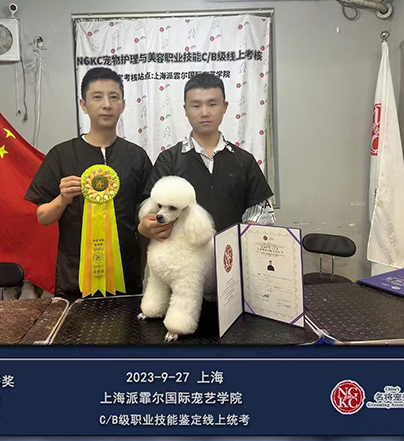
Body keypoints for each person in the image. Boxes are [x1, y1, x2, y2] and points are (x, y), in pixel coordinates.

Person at [25, 67, 152, 301]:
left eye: (114, 97)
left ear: (123, 105)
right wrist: (62, 199)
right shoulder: (61, 155)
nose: (107, 105)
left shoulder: (137, 157)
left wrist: (142, 265)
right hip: (75, 281)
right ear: (83, 105)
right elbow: (43, 217)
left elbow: (146, 219)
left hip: (126, 279)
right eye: (97, 97)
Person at [139, 72, 275, 242]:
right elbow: (151, 209)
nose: (204, 113)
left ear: (225, 107)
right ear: (185, 110)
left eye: (212, 104)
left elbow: (261, 211)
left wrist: (248, 235)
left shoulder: (244, 160)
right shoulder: (168, 160)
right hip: (183, 255)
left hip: (233, 253)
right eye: (196, 105)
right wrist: (147, 225)